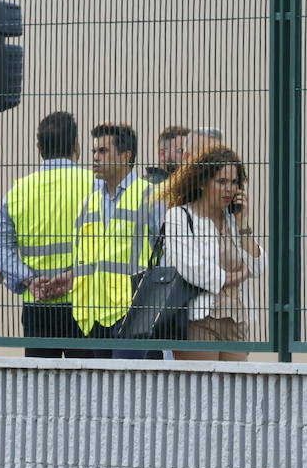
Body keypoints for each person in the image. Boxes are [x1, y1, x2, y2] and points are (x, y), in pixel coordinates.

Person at [0, 111, 94, 358]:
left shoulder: (18, 191)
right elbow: (109, 244)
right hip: (85, 302)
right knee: (89, 387)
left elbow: (0, 247)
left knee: (40, 390)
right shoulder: (95, 185)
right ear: (75, 144)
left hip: (37, 304)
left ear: (38, 146)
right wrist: (74, 275)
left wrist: (29, 280)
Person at [160, 144, 262, 361]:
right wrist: (235, 276)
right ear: (203, 182)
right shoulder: (179, 216)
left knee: (236, 392)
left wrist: (243, 224)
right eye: (222, 181)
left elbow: (258, 267)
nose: (229, 189)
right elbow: (192, 269)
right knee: (202, 392)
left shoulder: (233, 219)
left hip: (236, 319)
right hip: (199, 319)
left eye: (234, 182)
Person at [71, 122, 163, 359]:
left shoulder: (150, 197)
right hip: (94, 315)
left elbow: (166, 253)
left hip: (134, 313)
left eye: (103, 151)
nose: (95, 158)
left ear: (125, 156)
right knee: (104, 391)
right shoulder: (89, 201)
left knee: (128, 389)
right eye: (93, 151)